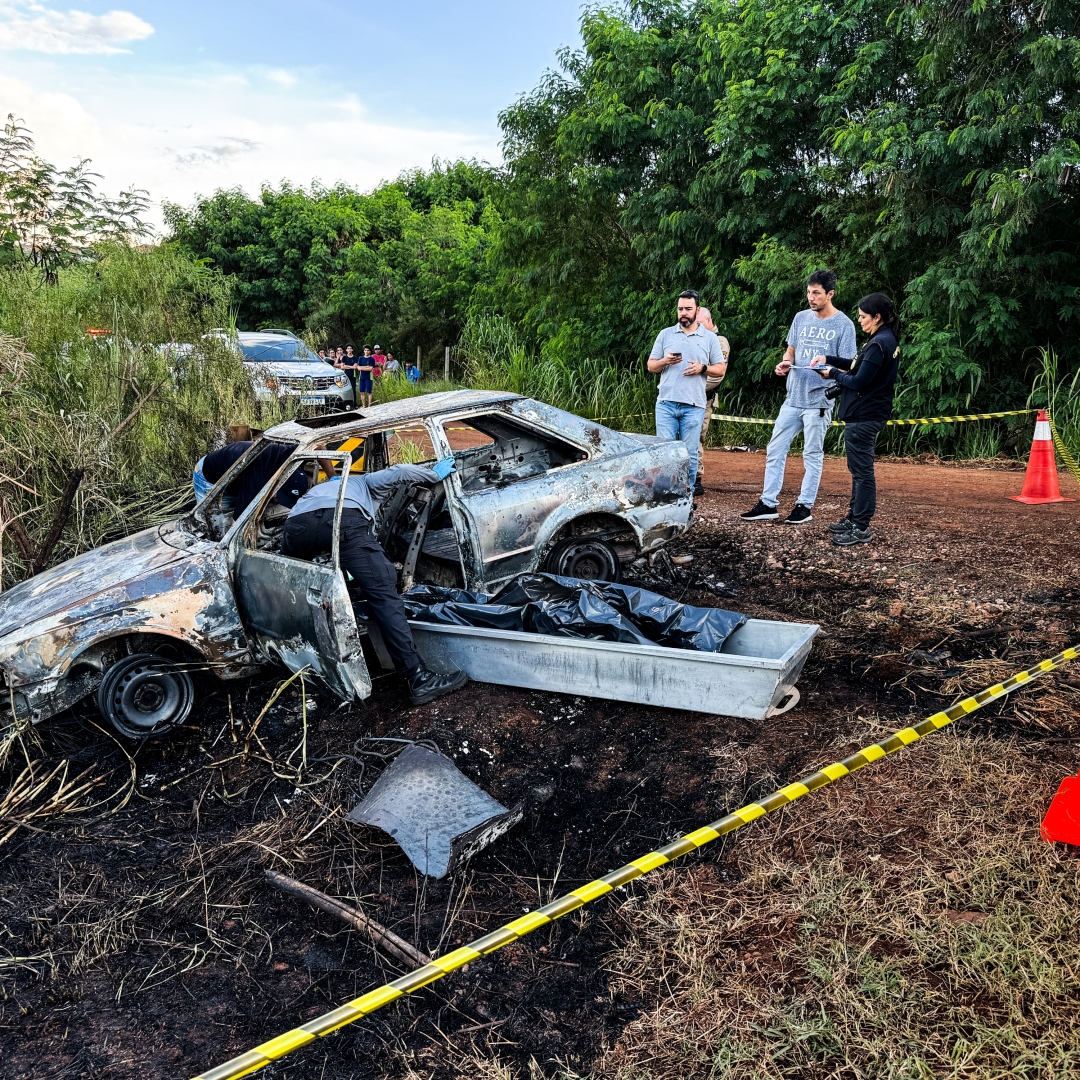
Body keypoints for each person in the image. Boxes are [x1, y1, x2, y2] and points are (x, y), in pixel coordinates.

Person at [281, 458, 468, 705]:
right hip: (343, 518)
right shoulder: (365, 481)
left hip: (296, 526)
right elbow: (400, 471)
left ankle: (296, 656)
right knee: (383, 590)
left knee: (291, 581)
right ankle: (418, 677)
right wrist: (433, 475)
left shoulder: (321, 488)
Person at [740, 270, 856, 525]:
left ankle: (804, 505)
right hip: (793, 398)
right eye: (808, 292)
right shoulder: (801, 318)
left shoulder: (844, 324)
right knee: (775, 449)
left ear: (830, 294)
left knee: (812, 453)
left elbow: (849, 365)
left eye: (816, 293)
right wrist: (784, 363)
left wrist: (831, 373)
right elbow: (791, 350)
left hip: (819, 401)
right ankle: (767, 503)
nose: (811, 298)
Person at [812, 292, 901, 546]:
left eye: (863, 317)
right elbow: (855, 366)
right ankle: (854, 518)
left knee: (862, 472)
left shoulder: (878, 344)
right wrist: (829, 359)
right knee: (858, 470)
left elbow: (858, 380)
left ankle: (861, 526)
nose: (859, 320)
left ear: (877, 317)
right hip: (867, 413)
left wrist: (832, 375)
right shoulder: (883, 340)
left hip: (864, 415)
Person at [647, 290, 728, 496]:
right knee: (663, 453)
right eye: (680, 309)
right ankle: (665, 495)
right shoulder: (665, 334)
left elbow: (720, 368)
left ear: (697, 310)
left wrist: (702, 368)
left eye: (688, 309)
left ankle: (686, 496)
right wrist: (665, 361)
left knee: (690, 454)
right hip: (666, 404)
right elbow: (651, 366)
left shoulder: (710, 338)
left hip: (694, 406)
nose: (683, 313)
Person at [195, 440, 309, 518]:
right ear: (276, 483)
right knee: (214, 522)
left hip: (239, 474)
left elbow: (319, 446)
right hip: (209, 476)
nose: (275, 498)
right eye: (278, 495)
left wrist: (328, 477)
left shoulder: (297, 458)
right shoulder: (255, 484)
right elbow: (235, 528)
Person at [695, 306, 732, 496]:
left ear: (709, 321)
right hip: (688, 397)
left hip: (703, 398)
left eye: (700, 323)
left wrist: (692, 389)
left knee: (697, 436)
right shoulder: (695, 337)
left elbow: (718, 375)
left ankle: (696, 479)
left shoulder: (719, 341)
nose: (697, 326)